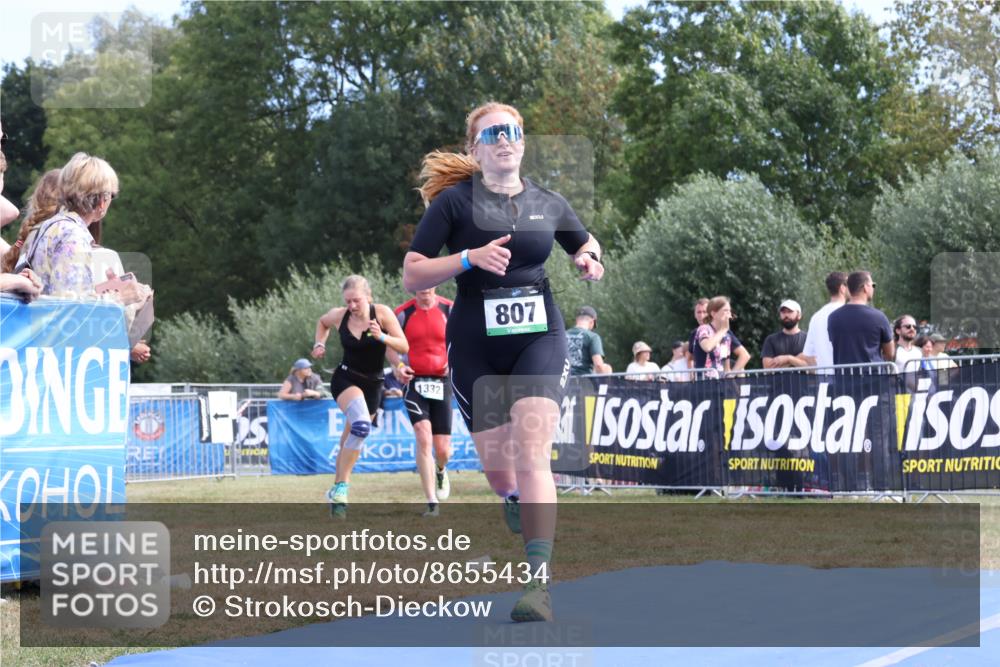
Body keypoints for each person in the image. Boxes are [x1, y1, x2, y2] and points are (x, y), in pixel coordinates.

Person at [403, 101, 604, 623]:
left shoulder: (548, 201)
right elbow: (413, 274)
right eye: (492, 132)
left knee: (533, 450)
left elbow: (586, 243)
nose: (504, 139)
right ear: (476, 148)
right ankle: (511, 496)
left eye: (513, 130)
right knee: (499, 471)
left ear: (522, 142)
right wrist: (468, 259)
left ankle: (538, 585)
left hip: (539, 332)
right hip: (474, 341)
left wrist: (588, 260)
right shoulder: (452, 203)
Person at [311, 275, 409, 518]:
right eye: (348, 301)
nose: (352, 306)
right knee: (362, 426)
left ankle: (336, 491)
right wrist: (319, 344)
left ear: (369, 297)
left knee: (351, 438)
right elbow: (322, 323)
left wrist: (382, 337)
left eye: (356, 300)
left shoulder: (383, 313)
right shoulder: (339, 315)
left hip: (374, 384)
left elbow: (404, 346)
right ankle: (343, 488)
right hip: (346, 378)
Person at [389, 287, 454, 518]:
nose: (425, 289)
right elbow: (390, 346)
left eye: (429, 284)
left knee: (443, 449)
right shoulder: (403, 313)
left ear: (436, 285)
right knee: (422, 436)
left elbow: (464, 339)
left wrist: (454, 361)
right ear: (413, 287)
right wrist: (398, 367)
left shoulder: (449, 308)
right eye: (420, 285)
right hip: (414, 381)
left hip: (442, 381)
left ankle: (441, 468)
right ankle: (432, 502)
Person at [827, 271, 894, 365]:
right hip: (873, 377)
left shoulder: (833, 317)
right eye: (873, 285)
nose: (873, 288)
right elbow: (890, 353)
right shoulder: (879, 317)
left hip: (844, 377)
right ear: (866, 287)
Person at [799, 271, 848, 372]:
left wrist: (821, 372)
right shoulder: (849, 313)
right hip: (847, 381)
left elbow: (808, 355)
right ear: (842, 288)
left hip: (825, 382)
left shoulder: (816, 317)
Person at [693, 296, 750, 378]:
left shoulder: (727, 335)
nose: (729, 314)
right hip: (705, 383)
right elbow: (707, 347)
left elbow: (727, 365)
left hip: (722, 384)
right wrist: (723, 330)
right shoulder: (703, 329)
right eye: (725, 311)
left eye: (729, 311)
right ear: (714, 314)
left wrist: (731, 375)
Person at [761, 299, 808, 369]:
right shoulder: (771, 340)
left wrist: (788, 359)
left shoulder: (808, 339)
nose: (786, 315)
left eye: (790, 312)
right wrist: (798, 359)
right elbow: (767, 368)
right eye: (783, 312)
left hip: (804, 380)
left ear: (799, 315)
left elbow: (813, 367)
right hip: (778, 380)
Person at [566, 306, 612, 376]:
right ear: (592, 322)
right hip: (583, 383)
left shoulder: (562, 335)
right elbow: (598, 365)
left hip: (561, 383)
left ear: (577, 320)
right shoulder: (593, 337)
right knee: (607, 368)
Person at [685, 298, 709, 370]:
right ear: (695, 315)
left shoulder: (719, 331)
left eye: (704, 312)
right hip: (700, 378)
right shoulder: (694, 333)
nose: (701, 315)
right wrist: (692, 373)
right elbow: (689, 357)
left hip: (718, 378)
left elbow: (743, 354)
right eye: (699, 312)